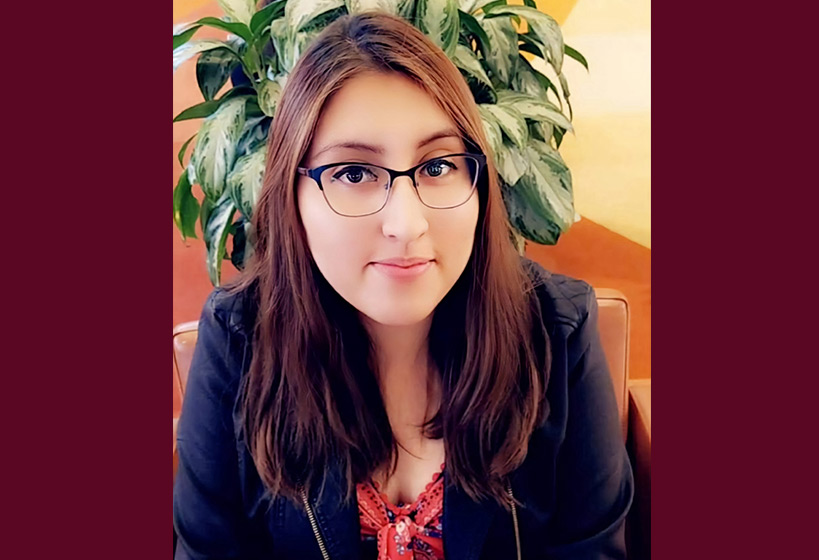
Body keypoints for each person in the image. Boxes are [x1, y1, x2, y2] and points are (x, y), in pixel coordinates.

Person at [174, 11, 633, 560]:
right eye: (353, 173)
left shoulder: (557, 332)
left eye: (438, 166)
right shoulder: (238, 340)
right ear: (291, 197)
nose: (406, 223)